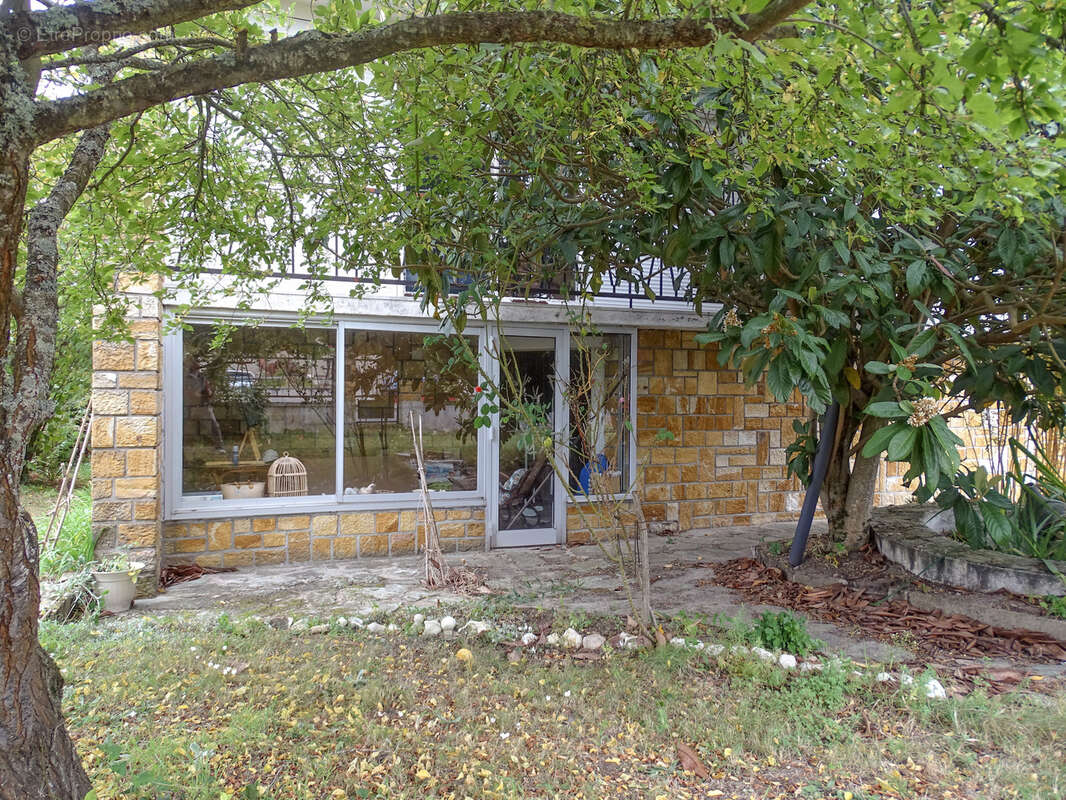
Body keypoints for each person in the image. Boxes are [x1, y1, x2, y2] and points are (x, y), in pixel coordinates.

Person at [184, 356, 224, 451]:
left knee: (214, 426)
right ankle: (182, 446)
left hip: (203, 406)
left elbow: (208, 391)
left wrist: (208, 392)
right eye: (194, 362)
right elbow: (189, 393)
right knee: (184, 426)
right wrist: (196, 394)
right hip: (190, 407)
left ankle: (219, 447)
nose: (197, 364)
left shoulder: (202, 377)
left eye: (197, 362)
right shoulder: (186, 377)